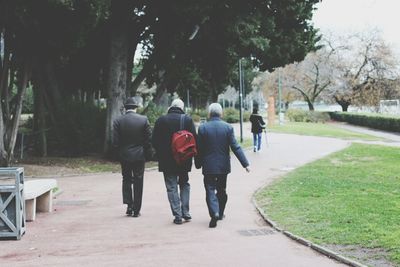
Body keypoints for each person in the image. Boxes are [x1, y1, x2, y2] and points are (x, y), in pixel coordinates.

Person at [195, 103, 250, 228]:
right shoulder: (228, 127)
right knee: (221, 190)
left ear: (209, 114)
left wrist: (198, 163)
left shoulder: (203, 128)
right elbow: (235, 147)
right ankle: (220, 213)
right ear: (221, 113)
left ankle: (214, 212)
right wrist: (245, 164)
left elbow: (199, 148)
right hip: (223, 166)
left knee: (209, 189)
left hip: (208, 165)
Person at [152, 99, 197, 225]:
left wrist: (161, 152)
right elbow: (194, 139)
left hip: (167, 160)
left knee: (171, 187)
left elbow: (154, 141)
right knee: (184, 183)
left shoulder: (161, 120)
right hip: (184, 158)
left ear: (171, 106)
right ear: (182, 107)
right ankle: (186, 211)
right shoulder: (187, 120)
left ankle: (177, 215)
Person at [113, 97, 152, 217]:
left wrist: (119, 151)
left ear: (125, 108)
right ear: (136, 107)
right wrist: (147, 153)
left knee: (126, 179)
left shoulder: (118, 121)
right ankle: (136, 209)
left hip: (124, 155)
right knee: (138, 180)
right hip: (139, 155)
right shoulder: (143, 120)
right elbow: (148, 139)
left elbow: (115, 141)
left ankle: (129, 205)